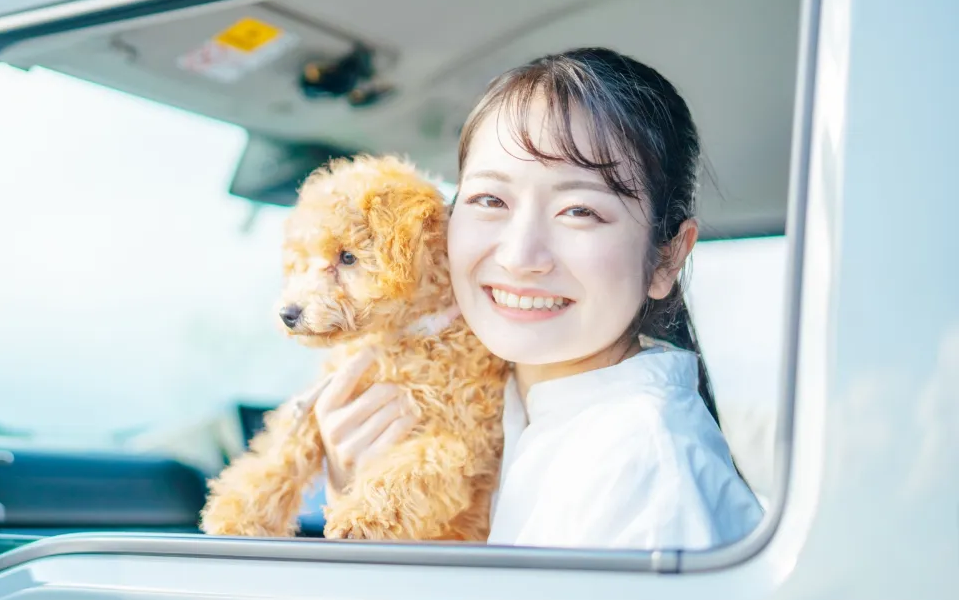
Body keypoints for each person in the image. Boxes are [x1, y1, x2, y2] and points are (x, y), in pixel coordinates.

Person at [311, 47, 762, 550]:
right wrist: (363, 498)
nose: (520, 255)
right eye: (490, 200)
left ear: (667, 258)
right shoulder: (494, 407)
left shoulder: (646, 466)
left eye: (579, 211)